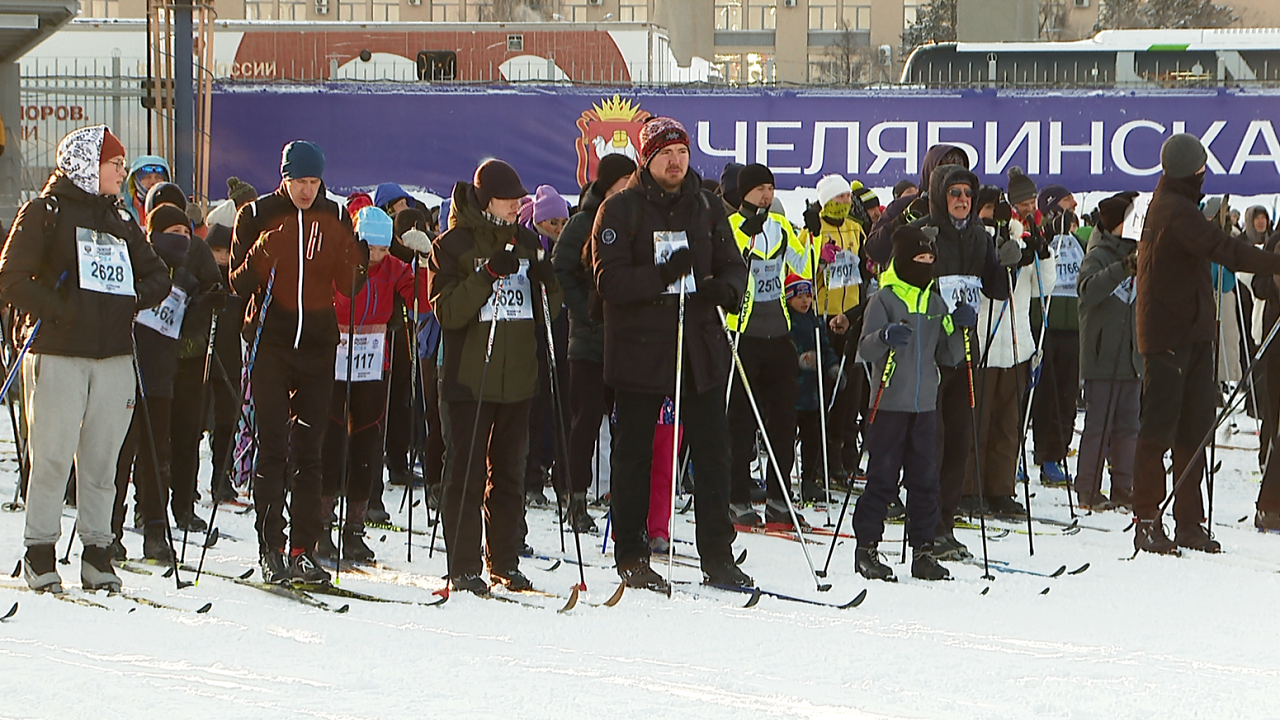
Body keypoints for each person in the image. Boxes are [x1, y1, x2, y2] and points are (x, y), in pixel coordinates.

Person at [1, 125, 171, 592]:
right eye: (114, 163)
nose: (122, 171)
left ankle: (98, 553)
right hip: (57, 354)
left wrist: (126, 300)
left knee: (103, 463)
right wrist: (62, 309)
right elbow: (12, 277)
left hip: (114, 355)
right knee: (53, 458)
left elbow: (157, 275)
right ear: (86, 165)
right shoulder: (44, 212)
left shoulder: (120, 218)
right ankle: (40, 552)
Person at [591, 116, 749, 592]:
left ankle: (717, 555)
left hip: (699, 345)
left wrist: (726, 289)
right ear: (648, 158)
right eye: (666, 154)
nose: (676, 161)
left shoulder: (707, 206)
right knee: (636, 452)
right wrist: (661, 277)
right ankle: (633, 553)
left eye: (681, 151)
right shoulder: (620, 210)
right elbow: (608, 282)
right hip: (641, 347)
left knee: (713, 452)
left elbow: (733, 266)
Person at [1133, 133, 1280, 555]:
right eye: (1201, 170)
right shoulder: (1174, 210)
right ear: (1192, 172)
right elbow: (1225, 249)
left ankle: (1188, 522)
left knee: (1193, 432)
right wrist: (1274, 262)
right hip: (1168, 337)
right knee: (1160, 431)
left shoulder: (1178, 206)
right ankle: (1146, 518)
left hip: (1192, 333)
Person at [229, 140, 367, 583]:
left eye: (313, 182)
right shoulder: (255, 215)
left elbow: (349, 288)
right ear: (284, 178)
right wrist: (262, 253)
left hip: (318, 346)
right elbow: (236, 282)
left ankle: (304, 547)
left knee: (311, 450)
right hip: (270, 343)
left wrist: (356, 260)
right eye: (298, 182)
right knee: (272, 447)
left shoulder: (336, 215)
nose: (307, 191)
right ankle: (270, 545)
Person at [429, 159, 562, 594]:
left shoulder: (528, 241)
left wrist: (549, 283)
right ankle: (464, 565)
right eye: (509, 199)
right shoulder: (452, 245)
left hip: (518, 378)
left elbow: (549, 311)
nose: (516, 205)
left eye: (519, 198)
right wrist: (486, 275)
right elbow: (447, 311)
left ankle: (504, 559)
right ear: (487, 200)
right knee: (465, 472)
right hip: (469, 378)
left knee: (509, 474)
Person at [853, 225, 971, 582]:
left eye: (930, 260)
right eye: (920, 259)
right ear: (905, 262)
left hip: (924, 406)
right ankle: (867, 549)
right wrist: (884, 335)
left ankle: (923, 551)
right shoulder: (885, 299)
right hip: (889, 405)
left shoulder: (935, 302)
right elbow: (865, 349)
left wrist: (958, 327)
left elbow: (948, 355)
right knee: (883, 480)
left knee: (925, 481)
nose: (926, 266)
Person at [908, 164, 1012, 561]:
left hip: (966, 352)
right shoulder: (924, 231)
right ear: (940, 196)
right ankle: (926, 526)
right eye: (955, 194)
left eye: (968, 194)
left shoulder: (979, 236)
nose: (963, 201)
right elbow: (902, 282)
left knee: (958, 444)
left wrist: (1004, 260)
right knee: (929, 445)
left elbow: (997, 290)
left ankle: (945, 524)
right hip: (929, 351)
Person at [111, 203, 219, 561]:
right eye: (173, 235)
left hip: (161, 377)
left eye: (186, 235)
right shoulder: (137, 264)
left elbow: (187, 327)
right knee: (121, 455)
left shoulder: (187, 276)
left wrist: (207, 305)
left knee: (158, 455)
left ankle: (156, 533)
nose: (181, 241)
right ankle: (110, 529)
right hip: (126, 371)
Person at [318, 207, 415, 562]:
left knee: (366, 446)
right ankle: (322, 527)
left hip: (374, 365)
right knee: (330, 444)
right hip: (335, 363)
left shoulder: (393, 267)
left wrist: (421, 263)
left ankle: (354, 531)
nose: (375, 256)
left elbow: (419, 298)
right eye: (369, 248)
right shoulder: (340, 263)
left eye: (382, 249)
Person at [724, 163, 811, 526]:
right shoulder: (730, 228)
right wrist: (745, 242)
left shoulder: (780, 227)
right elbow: (720, 266)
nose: (766, 194)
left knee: (783, 420)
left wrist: (812, 237)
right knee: (740, 421)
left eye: (770, 188)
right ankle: (737, 497)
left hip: (778, 333)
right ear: (744, 192)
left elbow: (802, 265)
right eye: (759, 188)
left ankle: (779, 497)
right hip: (742, 334)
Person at [554, 153, 636, 531]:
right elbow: (559, 271)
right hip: (588, 341)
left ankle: (623, 500)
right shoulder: (582, 223)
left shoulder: (636, 217)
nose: (628, 188)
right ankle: (575, 497)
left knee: (628, 427)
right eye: (622, 182)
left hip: (628, 339)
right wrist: (584, 308)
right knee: (585, 422)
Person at [963, 183, 1052, 520]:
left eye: (997, 210)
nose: (993, 217)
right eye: (986, 210)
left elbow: (1044, 285)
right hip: (985, 343)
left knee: (1008, 424)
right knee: (978, 422)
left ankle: (1000, 488)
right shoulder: (973, 239)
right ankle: (969, 488)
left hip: (1016, 346)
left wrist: (1041, 253)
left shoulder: (1018, 236)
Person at [1075, 191, 1141, 511]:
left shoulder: (1139, 251)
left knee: (1129, 426)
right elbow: (1087, 291)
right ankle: (1087, 487)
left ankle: (1123, 485)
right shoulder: (1098, 254)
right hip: (1102, 356)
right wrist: (1122, 268)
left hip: (1132, 356)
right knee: (1099, 424)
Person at [804, 174, 868, 483]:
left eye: (846, 197)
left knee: (850, 393)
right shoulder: (814, 228)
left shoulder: (855, 228)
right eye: (838, 198)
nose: (844, 203)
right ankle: (817, 461)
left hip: (851, 315)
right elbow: (800, 268)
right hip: (823, 315)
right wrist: (818, 257)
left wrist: (869, 265)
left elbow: (866, 266)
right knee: (824, 391)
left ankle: (843, 454)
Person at [1032, 204, 1085, 488]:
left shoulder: (1081, 246)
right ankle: (1042, 453)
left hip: (1074, 331)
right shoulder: (1046, 244)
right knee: (1043, 398)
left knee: (1066, 398)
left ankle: (1056, 454)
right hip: (1045, 329)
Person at [785, 273, 838, 503]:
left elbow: (825, 347)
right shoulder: (785, 320)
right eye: (799, 297)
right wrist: (796, 359)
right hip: (791, 392)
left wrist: (833, 365)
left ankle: (809, 480)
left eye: (808, 295)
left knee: (813, 437)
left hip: (813, 393)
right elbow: (780, 349)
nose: (805, 301)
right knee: (786, 440)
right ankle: (782, 482)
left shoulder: (815, 320)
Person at [119, 154, 171, 227]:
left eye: (158, 177)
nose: (153, 182)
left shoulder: (177, 211)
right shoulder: (121, 210)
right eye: (147, 177)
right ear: (135, 180)